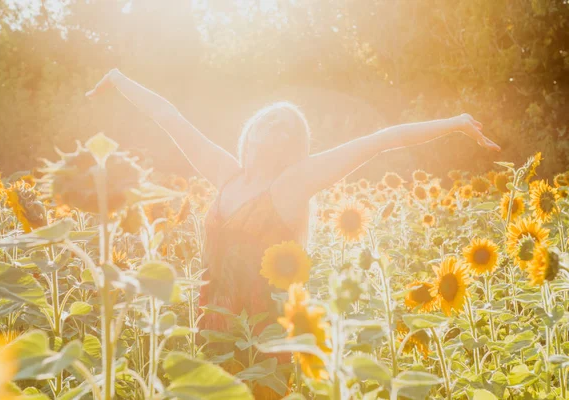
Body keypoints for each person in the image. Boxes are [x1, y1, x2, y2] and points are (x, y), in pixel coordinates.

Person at [86, 68, 500, 397]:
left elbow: (376, 142)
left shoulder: (293, 184)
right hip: (213, 321)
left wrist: (456, 122)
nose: (278, 132)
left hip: (266, 334)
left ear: (294, 144)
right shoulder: (225, 173)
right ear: (253, 129)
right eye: (272, 122)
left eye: (288, 129)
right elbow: (168, 117)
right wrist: (120, 79)